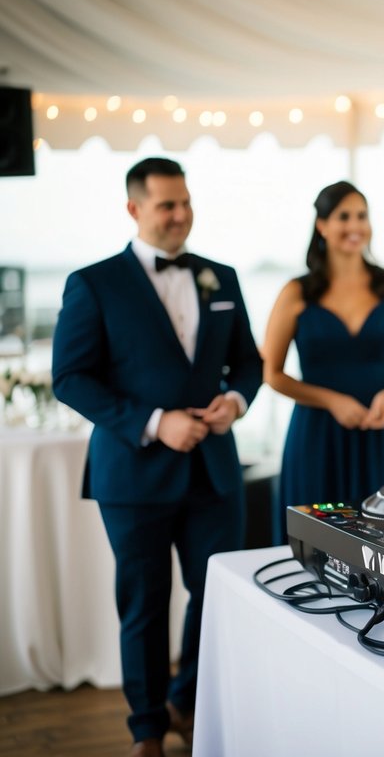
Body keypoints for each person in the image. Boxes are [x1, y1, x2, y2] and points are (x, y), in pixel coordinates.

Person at [51, 157, 262, 756]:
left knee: (215, 590)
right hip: (132, 473)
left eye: (186, 202)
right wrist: (153, 423)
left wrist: (236, 402)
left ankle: (188, 700)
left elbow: (248, 362)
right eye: (167, 205)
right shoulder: (93, 283)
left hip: (214, 470)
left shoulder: (221, 276)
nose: (180, 215)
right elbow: (69, 377)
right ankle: (146, 727)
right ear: (134, 209)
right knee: (145, 603)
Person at [263, 180, 384, 540]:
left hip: (382, 432)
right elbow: (272, 374)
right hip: (317, 436)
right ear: (322, 225)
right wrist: (330, 400)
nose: (355, 226)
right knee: (316, 539)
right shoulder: (296, 293)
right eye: (344, 216)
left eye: (362, 216)